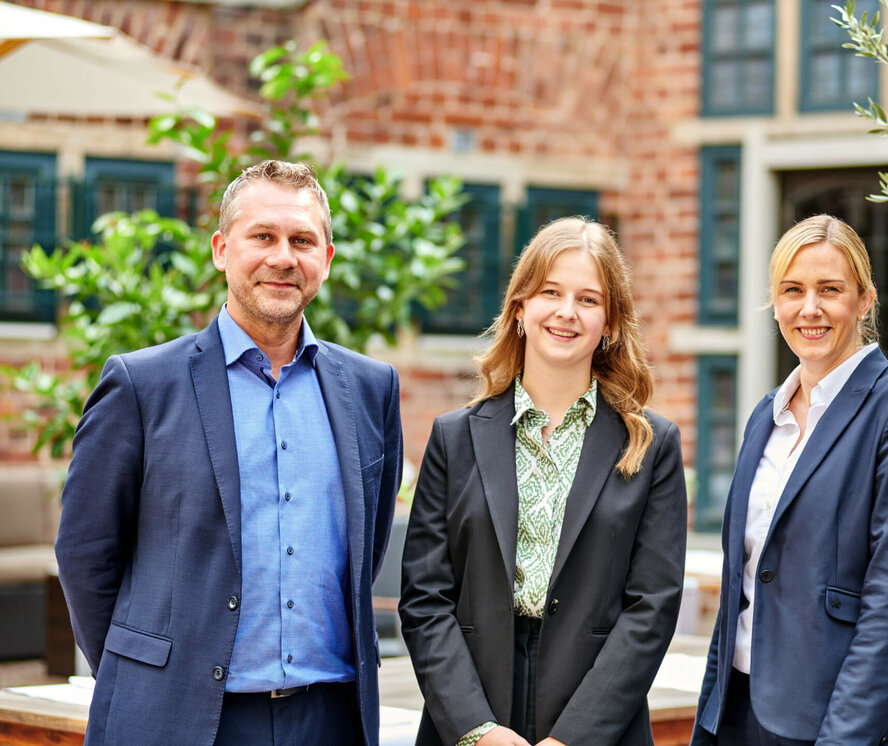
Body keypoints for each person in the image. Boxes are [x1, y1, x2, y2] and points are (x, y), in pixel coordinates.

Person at [54, 160, 402, 746]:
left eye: (302, 241)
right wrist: (150, 668)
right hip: (179, 719)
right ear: (221, 250)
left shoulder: (371, 388)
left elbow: (366, 547)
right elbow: (86, 552)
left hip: (332, 718)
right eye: (262, 236)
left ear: (327, 258)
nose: (283, 257)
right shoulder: (141, 386)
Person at [399, 216, 687, 746]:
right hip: (471, 710)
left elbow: (651, 610)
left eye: (588, 299)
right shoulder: (453, 439)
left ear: (611, 322)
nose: (566, 312)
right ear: (519, 308)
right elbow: (425, 600)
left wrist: (571, 739)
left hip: (597, 719)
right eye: (550, 292)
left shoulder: (652, 447)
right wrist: (478, 730)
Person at [691, 215, 888, 746]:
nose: (809, 308)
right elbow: (741, 581)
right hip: (738, 710)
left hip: (834, 719)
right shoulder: (765, 416)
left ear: (864, 300)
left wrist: (845, 738)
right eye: (793, 290)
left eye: (829, 290)